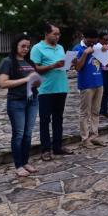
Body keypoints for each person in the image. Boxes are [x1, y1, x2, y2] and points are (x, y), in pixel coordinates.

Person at [0, 34, 41, 177]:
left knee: (28, 134)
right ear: (15, 45)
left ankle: (25, 161)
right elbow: (3, 83)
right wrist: (26, 79)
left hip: (32, 99)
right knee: (19, 134)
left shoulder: (29, 62)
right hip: (17, 101)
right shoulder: (8, 61)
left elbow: (34, 79)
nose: (25, 49)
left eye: (28, 47)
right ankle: (18, 165)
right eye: (23, 46)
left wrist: (36, 81)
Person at [31, 22, 72, 160]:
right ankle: (45, 149)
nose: (58, 36)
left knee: (58, 119)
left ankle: (58, 146)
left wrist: (67, 64)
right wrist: (53, 65)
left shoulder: (60, 47)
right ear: (46, 34)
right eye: (55, 33)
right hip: (46, 89)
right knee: (45, 120)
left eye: (59, 34)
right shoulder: (37, 48)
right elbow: (35, 68)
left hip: (61, 87)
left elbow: (63, 65)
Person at [74, 29, 105, 148]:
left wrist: (105, 51)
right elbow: (77, 67)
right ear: (84, 37)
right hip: (86, 85)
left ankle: (94, 135)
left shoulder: (97, 47)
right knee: (85, 113)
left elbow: (105, 63)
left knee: (96, 112)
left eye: (94, 42)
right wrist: (85, 53)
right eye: (90, 42)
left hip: (99, 82)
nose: (92, 44)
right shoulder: (78, 48)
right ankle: (85, 138)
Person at [96, 32, 108, 118]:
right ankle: (101, 109)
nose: (107, 41)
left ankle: (104, 109)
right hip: (102, 71)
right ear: (100, 39)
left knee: (107, 91)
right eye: (105, 39)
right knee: (102, 91)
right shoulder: (98, 47)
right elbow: (105, 62)